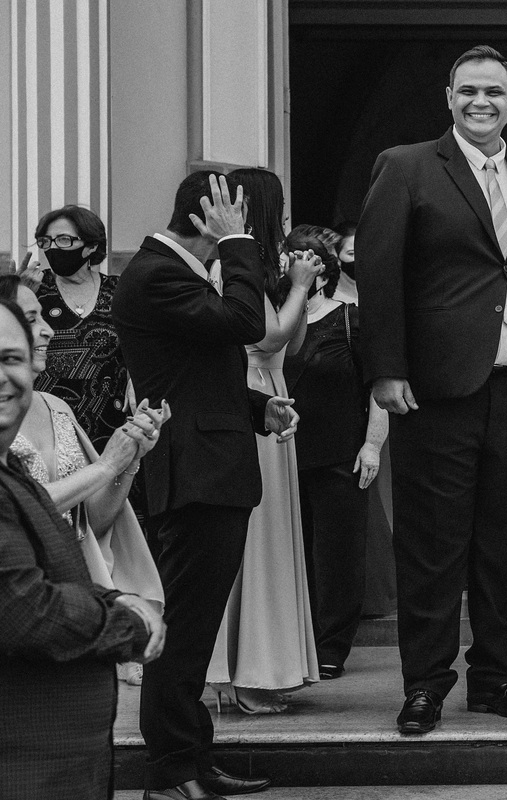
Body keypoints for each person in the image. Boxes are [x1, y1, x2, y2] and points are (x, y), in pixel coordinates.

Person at [357, 45, 507, 736]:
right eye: (468, 91)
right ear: (448, 96)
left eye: (494, 92)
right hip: (435, 389)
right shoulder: (407, 167)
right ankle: (425, 684)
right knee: (432, 543)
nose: (480, 102)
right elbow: (379, 270)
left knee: (503, 543)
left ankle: (494, 677)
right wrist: (386, 369)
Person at [114, 171, 298, 800]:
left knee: (194, 630)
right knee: (185, 631)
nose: (252, 232)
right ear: (208, 215)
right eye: (241, 215)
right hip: (195, 475)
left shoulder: (169, 273)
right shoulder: (156, 272)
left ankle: (191, 758)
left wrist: (256, 407)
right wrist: (239, 242)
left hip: (207, 466)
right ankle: (169, 773)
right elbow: (245, 322)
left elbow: (189, 372)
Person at [0, 295, 166, 800]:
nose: (44, 331)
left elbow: (92, 519)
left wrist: (131, 457)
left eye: (10, 356)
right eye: (30, 321)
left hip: (68, 759)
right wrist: (123, 619)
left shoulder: (55, 408)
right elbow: (21, 607)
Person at [205, 167, 323, 714]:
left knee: (270, 533)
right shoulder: (226, 265)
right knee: (247, 534)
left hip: (271, 393)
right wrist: (299, 288)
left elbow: (292, 343)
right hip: (245, 396)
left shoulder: (267, 266)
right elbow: (264, 333)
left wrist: (302, 287)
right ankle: (238, 672)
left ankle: (259, 665)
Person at [283, 227, 388, 680]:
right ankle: (291, 644)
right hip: (281, 456)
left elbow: (377, 390)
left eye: (305, 262)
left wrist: (372, 444)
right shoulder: (273, 323)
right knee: (292, 552)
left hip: (340, 453)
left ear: (323, 272)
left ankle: (331, 647)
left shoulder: (350, 318)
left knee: (338, 556)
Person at [28, 206, 131, 455]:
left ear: (91, 246)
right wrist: (18, 297)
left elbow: (142, 343)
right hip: (48, 423)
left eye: (64, 240)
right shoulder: (35, 290)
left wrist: (136, 377)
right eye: (46, 241)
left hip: (109, 418)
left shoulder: (119, 290)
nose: (53, 248)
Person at [331, 221, 358, 304]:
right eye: (351, 253)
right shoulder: (330, 299)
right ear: (335, 255)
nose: (358, 259)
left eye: (364, 253)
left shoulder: (379, 294)